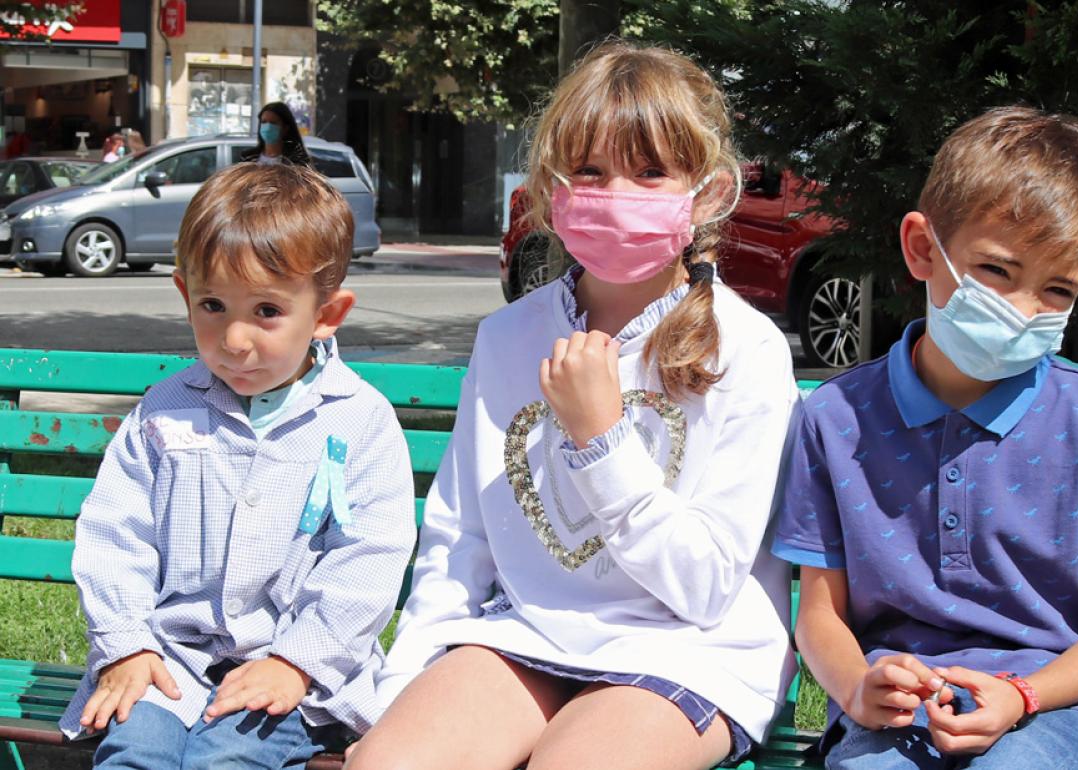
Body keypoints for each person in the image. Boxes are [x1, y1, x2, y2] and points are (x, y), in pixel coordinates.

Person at [347, 43, 798, 770]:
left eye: (650, 172)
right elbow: (460, 540)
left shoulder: (743, 349)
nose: (616, 192)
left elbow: (707, 587)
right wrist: (398, 696)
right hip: (529, 635)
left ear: (708, 193)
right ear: (554, 190)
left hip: (689, 650)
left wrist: (601, 440)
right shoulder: (508, 338)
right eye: (590, 171)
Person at [772, 106, 1078, 770]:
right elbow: (819, 612)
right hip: (898, 703)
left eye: (1056, 289)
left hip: (1053, 703)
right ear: (922, 248)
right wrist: (854, 686)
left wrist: (1023, 694)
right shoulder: (837, 417)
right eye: (997, 272)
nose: (1023, 310)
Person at [58, 162, 416, 769]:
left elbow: (369, 559)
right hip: (166, 658)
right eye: (214, 305)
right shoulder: (164, 412)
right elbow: (115, 535)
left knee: (225, 759)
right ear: (184, 294)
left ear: (327, 315)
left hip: (292, 675)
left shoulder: (360, 422)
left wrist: (299, 662)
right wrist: (124, 645)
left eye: (268, 312)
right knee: (135, 751)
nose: (235, 339)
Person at [241, 101, 311, 167]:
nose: (268, 127)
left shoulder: (296, 161)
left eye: (273, 123)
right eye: (264, 122)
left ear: (285, 128)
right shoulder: (247, 158)